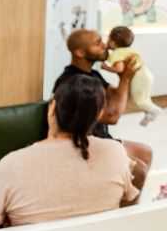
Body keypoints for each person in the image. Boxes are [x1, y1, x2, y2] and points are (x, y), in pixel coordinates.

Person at [0, 73, 139, 226]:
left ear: (52, 109)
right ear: (99, 115)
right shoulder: (116, 153)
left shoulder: (11, 165)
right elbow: (126, 205)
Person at [52, 29, 152, 194]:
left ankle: (118, 199)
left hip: (101, 137)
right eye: (98, 43)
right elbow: (112, 116)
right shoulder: (73, 81)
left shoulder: (93, 74)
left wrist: (124, 75)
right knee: (138, 171)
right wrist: (125, 78)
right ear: (80, 53)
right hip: (82, 145)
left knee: (146, 152)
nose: (105, 45)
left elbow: (116, 95)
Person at [106, 25, 158, 127]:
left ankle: (154, 111)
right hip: (146, 74)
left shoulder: (117, 53)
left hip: (139, 78)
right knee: (145, 97)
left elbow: (119, 69)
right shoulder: (126, 50)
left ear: (112, 42)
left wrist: (105, 67)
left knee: (139, 100)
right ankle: (148, 113)